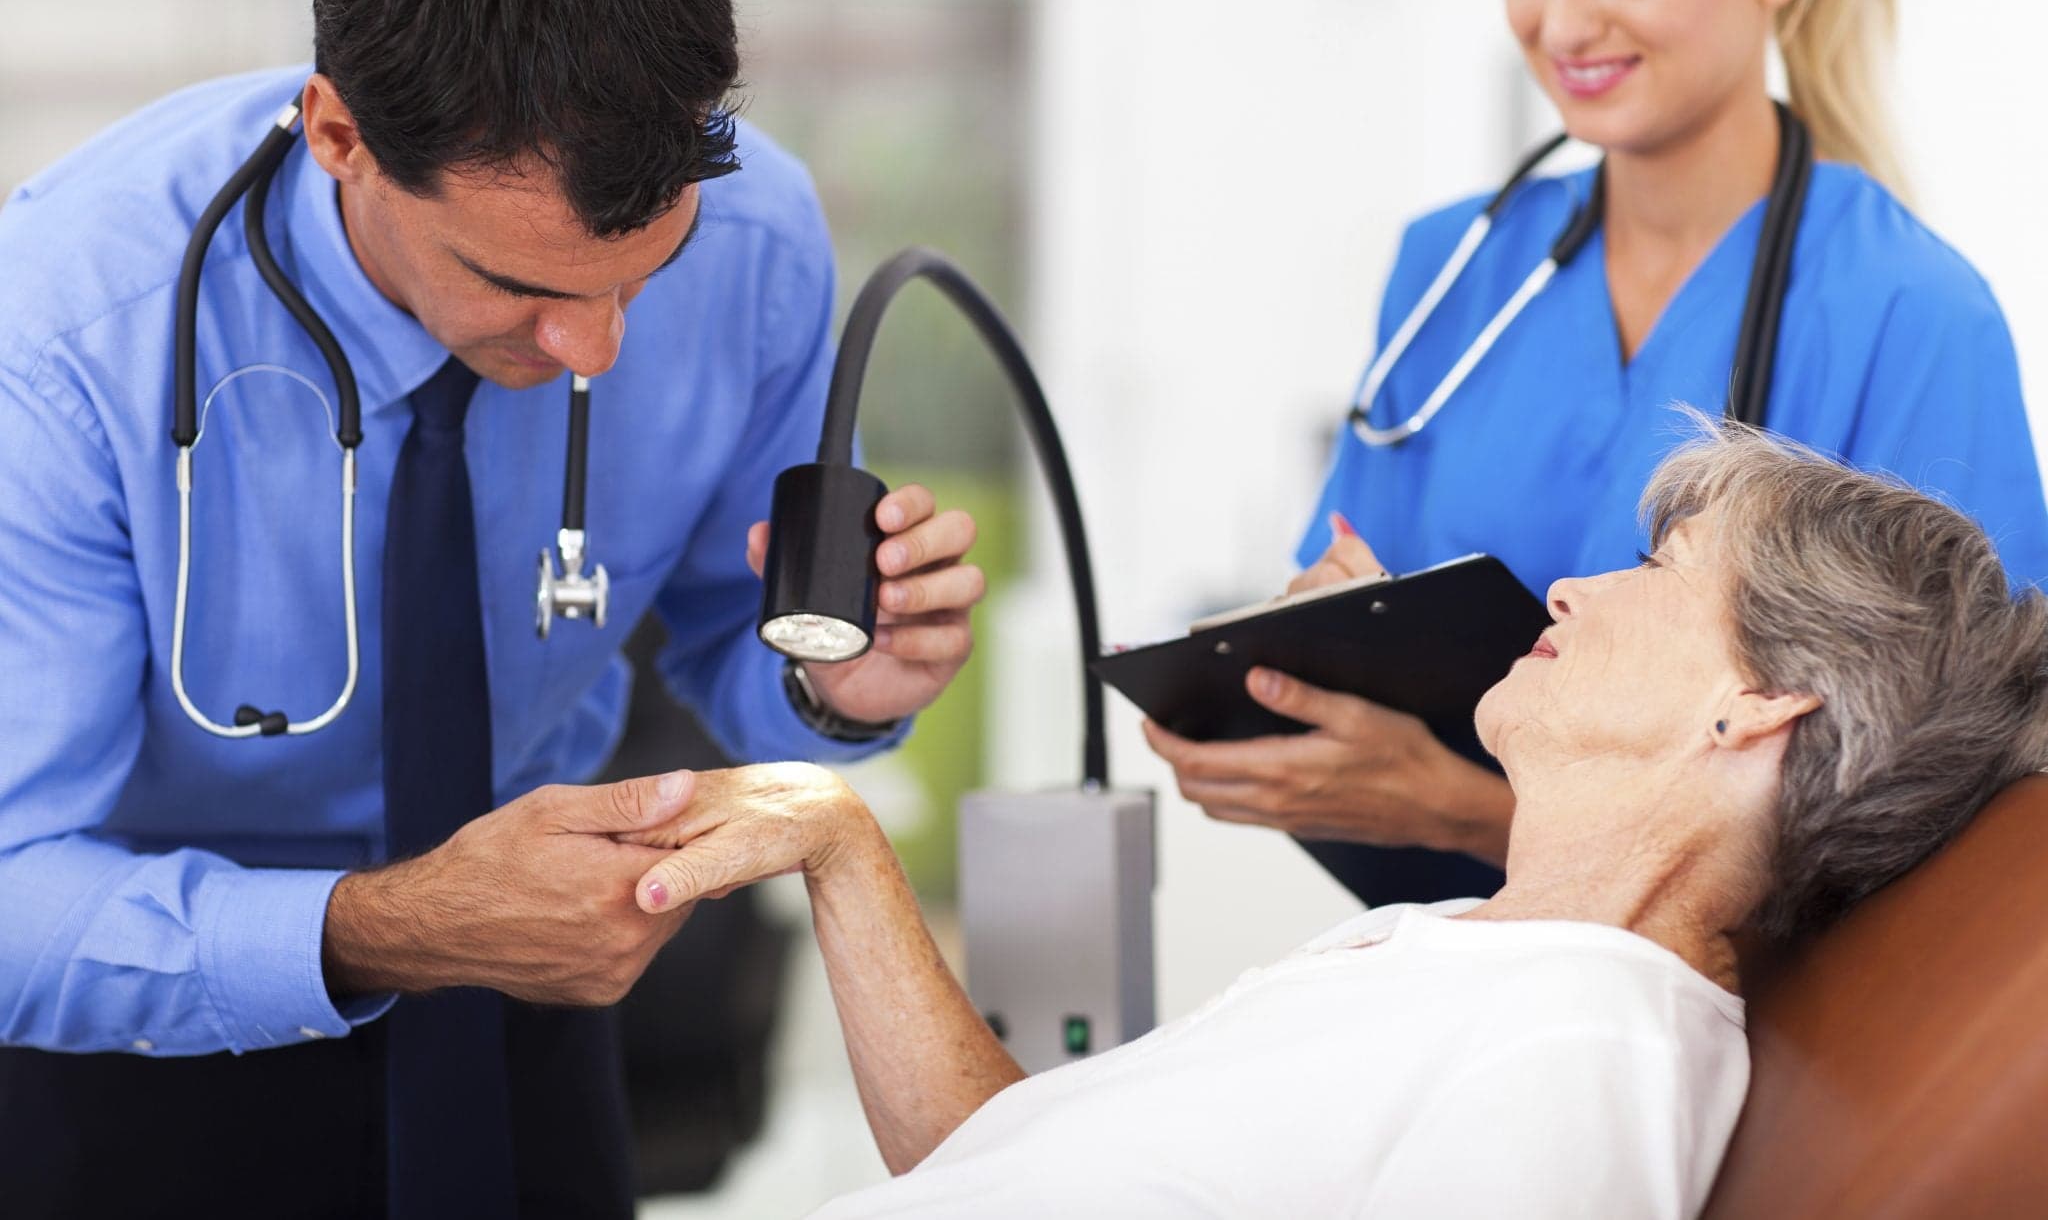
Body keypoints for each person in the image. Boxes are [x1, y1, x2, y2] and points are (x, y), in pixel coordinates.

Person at [0, 0, 985, 1216]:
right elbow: (10, 895)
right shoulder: (59, 337)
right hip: (144, 1039)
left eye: (643, 272)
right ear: (338, 135)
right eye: (518, 284)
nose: (595, 345)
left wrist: (830, 684)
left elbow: (729, 629)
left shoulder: (758, 244)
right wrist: (394, 925)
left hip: (536, 1019)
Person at [626, 422, 2047, 1217]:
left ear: (1758, 706)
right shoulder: (1457, 949)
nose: (1566, 592)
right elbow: (993, 1158)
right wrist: (835, 833)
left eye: (1652, 569)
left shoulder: (1583, 1049)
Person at [1145, 0, 2048, 906]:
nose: (1564, 25)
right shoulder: (1450, 276)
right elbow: (1347, 580)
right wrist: (1299, 661)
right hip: (1434, 971)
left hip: (1722, 1031)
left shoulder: (1904, 312)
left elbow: (1952, 819)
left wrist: (1463, 811)